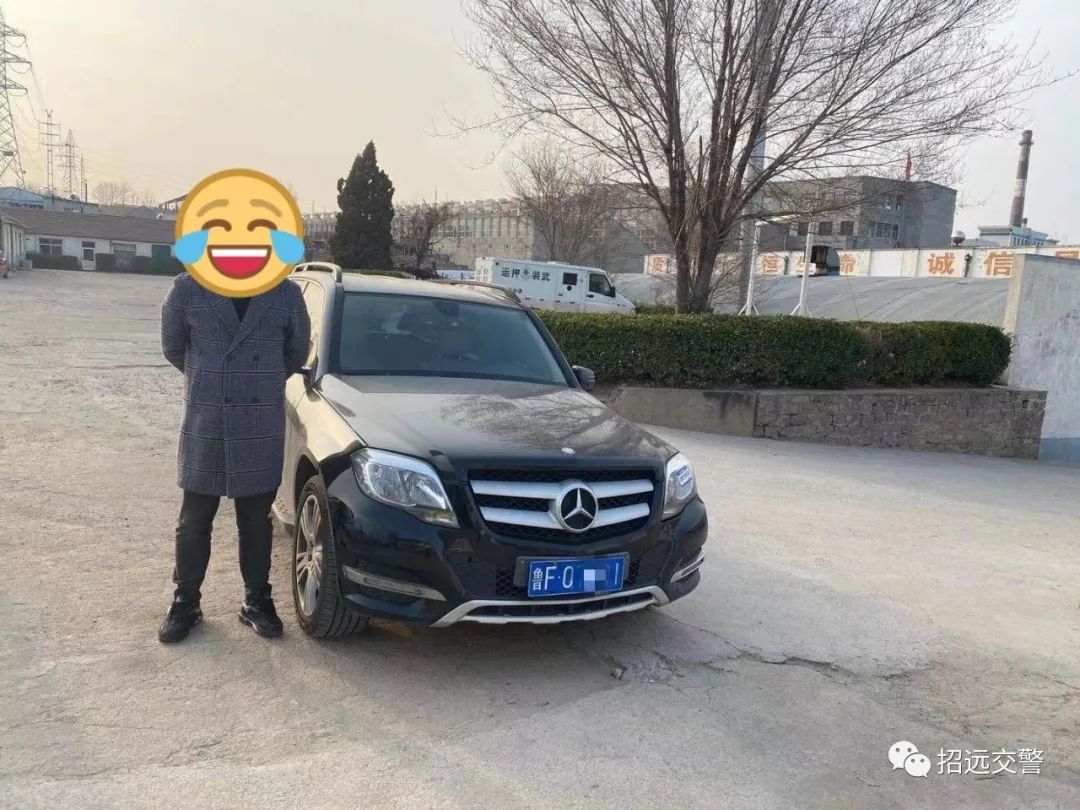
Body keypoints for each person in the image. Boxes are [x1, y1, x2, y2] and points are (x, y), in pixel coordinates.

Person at [157, 273, 310, 642]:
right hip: (207, 417)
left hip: (258, 420)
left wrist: (256, 378)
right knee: (194, 520)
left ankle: (256, 600)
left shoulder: (287, 293)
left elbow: (296, 352)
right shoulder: (187, 288)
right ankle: (186, 601)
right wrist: (211, 377)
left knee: (256, 520)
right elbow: (173, 347)